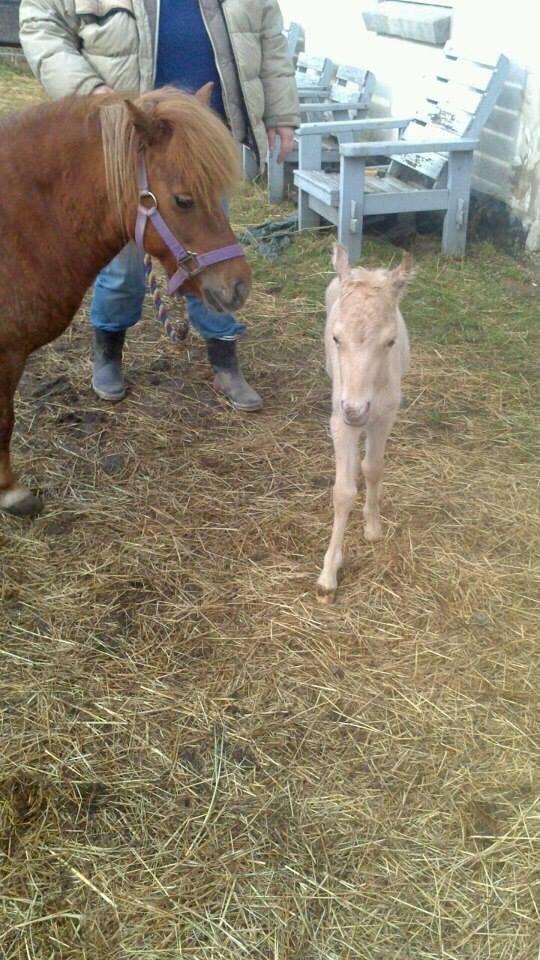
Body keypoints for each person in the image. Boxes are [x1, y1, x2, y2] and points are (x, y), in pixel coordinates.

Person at [19, 0, 300, 412]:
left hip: (203, 140)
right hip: (127, 140)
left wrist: (282, 112)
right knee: (122, 268)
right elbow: (40, 23)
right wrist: (90, 92)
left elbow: (270, 40)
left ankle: (224, 360)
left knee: (209, 247)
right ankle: (109, 351)